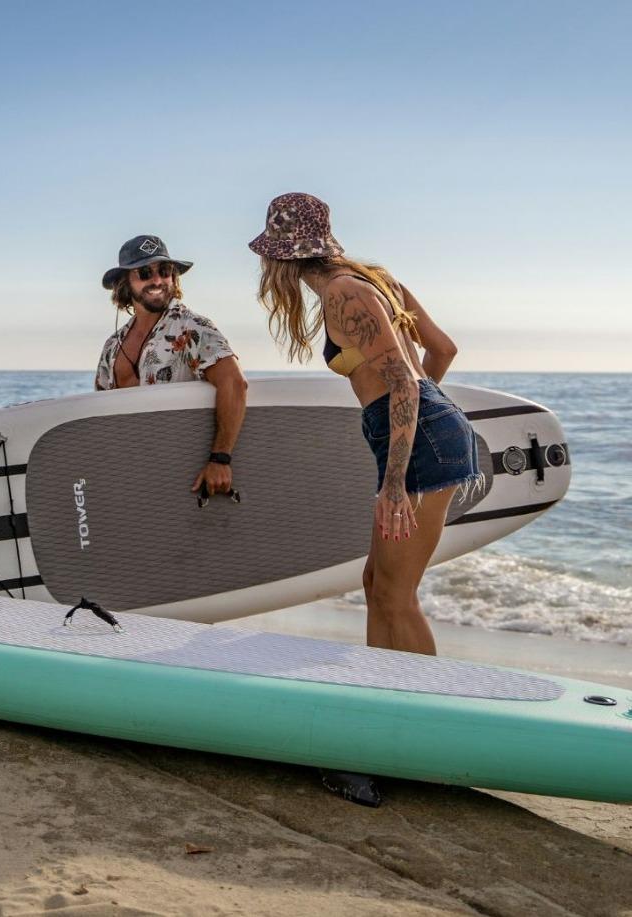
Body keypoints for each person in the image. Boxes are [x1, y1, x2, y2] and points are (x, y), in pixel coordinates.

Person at [249, 192, 485, 806]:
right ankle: (388, 716)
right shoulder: (376, 280)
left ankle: (428, 735)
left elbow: (404, 380)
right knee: (376, 583)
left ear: (284, 256)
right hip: (418, 430)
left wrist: (396, 477)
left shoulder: (343, 294)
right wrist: (425, 414)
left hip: (416, 442)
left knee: (394, 594)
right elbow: (441, 351)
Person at [95, 235, 248, 497]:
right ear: (125, 282)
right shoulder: (112, 345)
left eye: (164, 271)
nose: (157, 280)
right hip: (129, 473)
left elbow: (234, 383)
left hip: (183, 475)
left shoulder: (192, 327)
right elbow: (101, 412)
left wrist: (220, 459)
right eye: (145, 273)